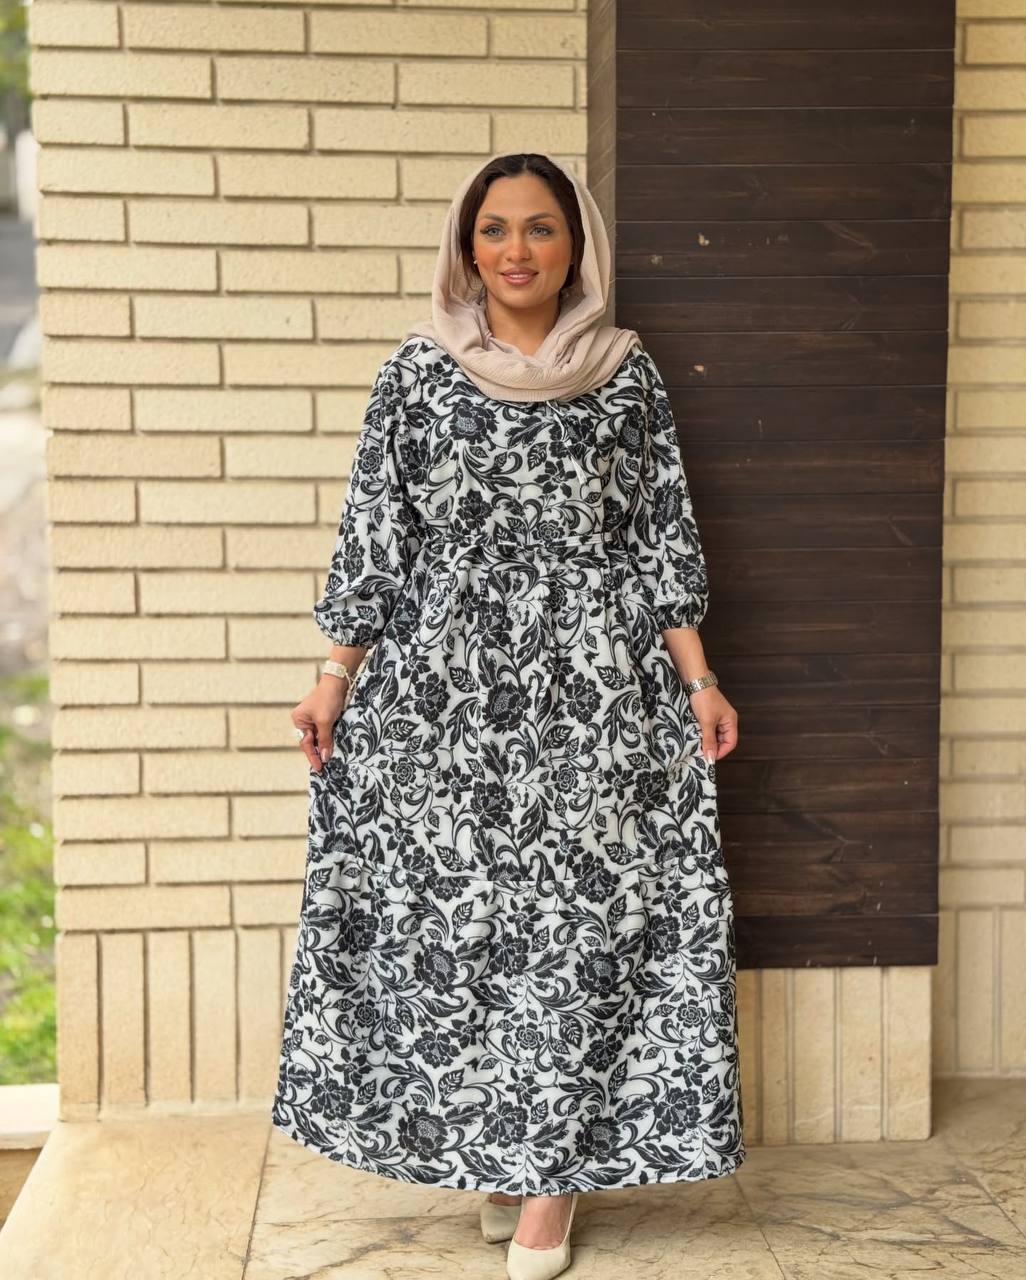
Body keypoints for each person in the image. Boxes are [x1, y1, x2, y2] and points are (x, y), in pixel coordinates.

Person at [274, 151, 744, 1280]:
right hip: (442, 693)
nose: (517, 250)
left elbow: (659, 533)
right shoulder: (416, 373)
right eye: (494, 229)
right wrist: (333, 675)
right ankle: (503, 1146)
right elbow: (376, 533)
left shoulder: (624, 374)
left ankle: (548, 1188)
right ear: (466, 245)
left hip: (594, 690)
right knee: (468, 923)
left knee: (581, 923)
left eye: (541, 227)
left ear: (576, 247)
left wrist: (700, 679)